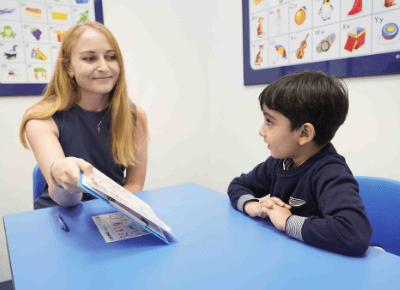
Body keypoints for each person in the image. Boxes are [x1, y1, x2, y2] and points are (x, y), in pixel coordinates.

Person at [227, 70, 372, 256]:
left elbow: (354, 233)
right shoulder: (280, 162)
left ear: (304, 133)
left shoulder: (331, 172)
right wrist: (253, 205)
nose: (261, 131)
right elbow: (238, 185)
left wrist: (287, 222)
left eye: (269, 121)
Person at [20, 21, 148, 209]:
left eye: (111, 57)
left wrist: (108, 218)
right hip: (61, 213)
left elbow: (135, 185)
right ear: (69, 67)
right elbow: (63, 199)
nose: (104, 67)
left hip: (113, 213)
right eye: (90, 58)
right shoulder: (41, 119)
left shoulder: (134, 117)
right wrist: (60, 176)